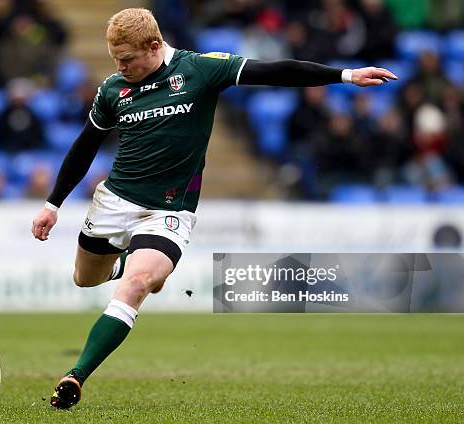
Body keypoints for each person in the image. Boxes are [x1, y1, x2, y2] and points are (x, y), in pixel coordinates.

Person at [31, 8, 397, 409]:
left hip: (168, 211)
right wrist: (53, 204)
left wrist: (344, 76)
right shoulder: (112, 89)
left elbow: (274, 71)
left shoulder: (199, 70)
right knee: (85, 279)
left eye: (127, 59)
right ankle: (129, 261)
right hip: (114, 203)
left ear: (154, 47)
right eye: (116, 59)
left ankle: (75, 376)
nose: (119, 67)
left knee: (137, 284)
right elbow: (85, 147)